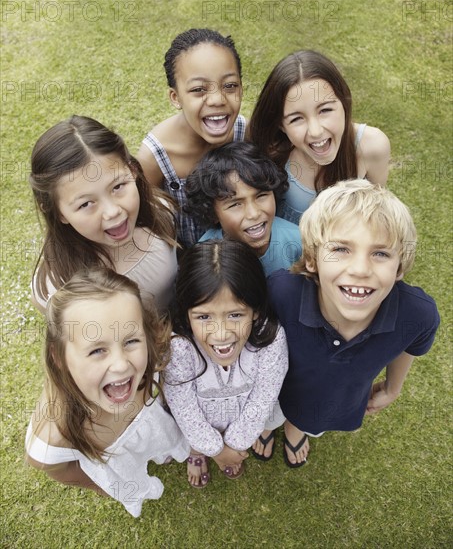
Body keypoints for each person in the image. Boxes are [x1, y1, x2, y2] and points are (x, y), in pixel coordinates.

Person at [264, 179, 439, 467]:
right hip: (276, 390)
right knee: (269, 414)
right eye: (341, 249)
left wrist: (394, 387)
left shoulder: (417, 314)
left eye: (381, 253)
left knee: (310, 421)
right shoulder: (282, 292)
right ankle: (269, 428)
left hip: (338, 402)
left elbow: (412, 343)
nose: (360, 269)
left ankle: (296, 431)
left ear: (399, 268)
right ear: (312, 260)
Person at [25, 268, 190, 517]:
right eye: (97, 351)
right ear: (59, 357)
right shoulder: (54, 438)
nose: (122, 364)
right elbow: (61, 470)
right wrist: (105, 485)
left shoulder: (156, 357)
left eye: (131, 341)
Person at [162, 240, 288, 487]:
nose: (220, 334)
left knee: (267, 417)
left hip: (245, 421)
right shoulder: (179, 347)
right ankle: (197, 452)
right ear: (186, 314)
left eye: (235, 314)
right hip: (199, 425)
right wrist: (216, 451)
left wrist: (236, 444)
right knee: (192, 437)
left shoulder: (271, 339)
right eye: (204, 317)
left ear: (256, 310)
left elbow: (263, 399)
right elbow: (184, 409)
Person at [30, 115, 178, 314]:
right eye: (86, 204)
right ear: (58, 213)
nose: (112, 211)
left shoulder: (162, 213)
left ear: (132, 170)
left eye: (118, 186)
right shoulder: (57, 285)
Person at [248, 50, 391, 224]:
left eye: (325, 110)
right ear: (281, 126)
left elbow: (376, 216)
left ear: (344, 103)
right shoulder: (271, 152)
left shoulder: (373, 146)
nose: (315, 131)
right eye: (296, 119)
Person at [137, 28, 246, 248]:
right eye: (198, 89)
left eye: (230, 85)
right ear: (175, 97)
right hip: (187, 266)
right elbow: (146, 224)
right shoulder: (156, 156)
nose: (217, 99)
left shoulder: (245, 133)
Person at [185, 141, 302, 276]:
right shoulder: (205, 256)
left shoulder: (298, 242)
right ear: (212, 213)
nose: (253, 214)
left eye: (261, 196)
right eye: (235, 204)